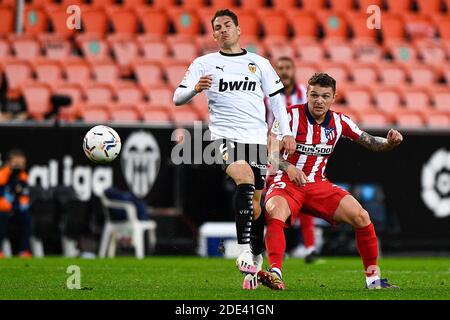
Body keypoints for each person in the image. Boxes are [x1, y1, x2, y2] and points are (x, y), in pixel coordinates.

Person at [173, 9, 296, 290]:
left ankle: (254, 264)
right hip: (224, 138)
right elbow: (177, 97)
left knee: (256, 205)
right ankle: (243, 251)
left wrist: (286, 132)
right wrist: (194, 89)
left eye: (228, 25)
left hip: (255, 139)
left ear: (239, 30)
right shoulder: (204, 64)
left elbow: (277, 101)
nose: (223, 30)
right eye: (218, 27)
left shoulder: (259, 63)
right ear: (214, 34)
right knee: (244, 178)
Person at [259, 73, 403, 290]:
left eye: (325, 96)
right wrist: (289, 168)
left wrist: (390, 143)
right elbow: (271, 155)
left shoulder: (339, 121)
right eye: (314, 95)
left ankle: (373, 281)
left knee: (361, 216)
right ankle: (276, 273)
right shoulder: (288, 117)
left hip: (318, 184)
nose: (319, 101)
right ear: (306, 94)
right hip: (287, 181)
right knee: (275, 211)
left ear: (333, 97)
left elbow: (371, 142)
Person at [272, 56, 318, 263]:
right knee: (270, 201)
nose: (284, 72)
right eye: (280, 68)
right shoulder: (268, 94)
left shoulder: (305, 94)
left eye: (287, 67)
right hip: (272, 152)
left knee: (304, 196)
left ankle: (310, 248)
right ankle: (270, 247)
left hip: (300, 153)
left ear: (293, 69)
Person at [0, 149, 32, 258]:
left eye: (21, 164)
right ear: (9, 163)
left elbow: (24, 197)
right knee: (2, 217)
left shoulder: (22, 176)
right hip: (3, 210)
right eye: (16, 163)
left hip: (15, 210)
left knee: (26, 218)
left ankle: (24, 251)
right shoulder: (3, 174)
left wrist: (21, 206)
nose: (19, 167)